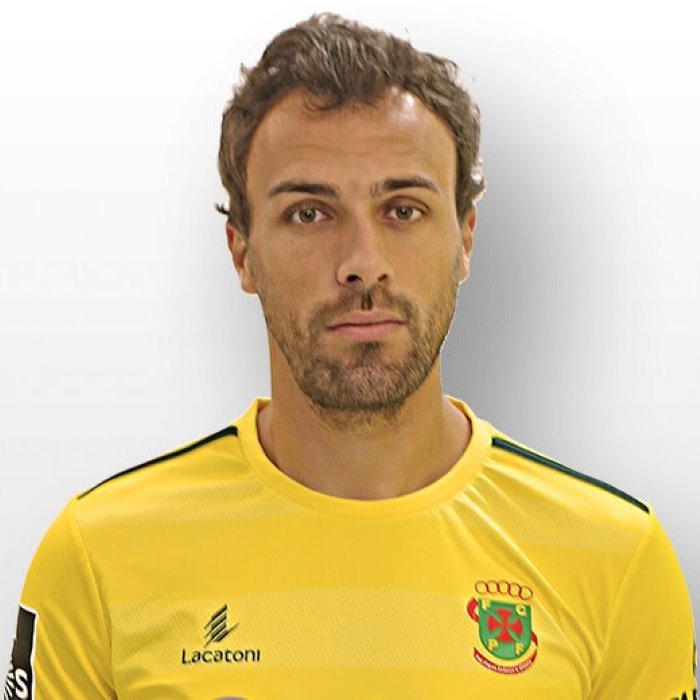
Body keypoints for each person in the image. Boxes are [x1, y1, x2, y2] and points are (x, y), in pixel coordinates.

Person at [4, 13, 696, 700]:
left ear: (465, 240)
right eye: (310, 213)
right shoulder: (99, 557)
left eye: (403, 210)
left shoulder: (616, 559)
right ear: (242, 252)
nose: (363, 262)